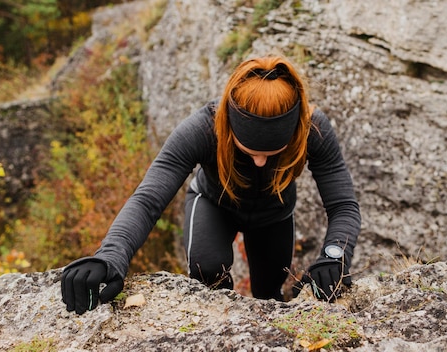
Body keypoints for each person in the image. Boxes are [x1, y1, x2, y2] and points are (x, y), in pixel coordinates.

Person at [61, 55, 361, 315]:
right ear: (230, 127)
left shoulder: (312, 128)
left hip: (274, 214)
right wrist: (110, 255)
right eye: (250, 151)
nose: (260, 162)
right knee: (209, 273)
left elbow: (343, 205)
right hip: (213, 204)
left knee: (269, 292)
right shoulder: (202, 129)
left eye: (272, 154)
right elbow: (148, 199)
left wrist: (335, 256)